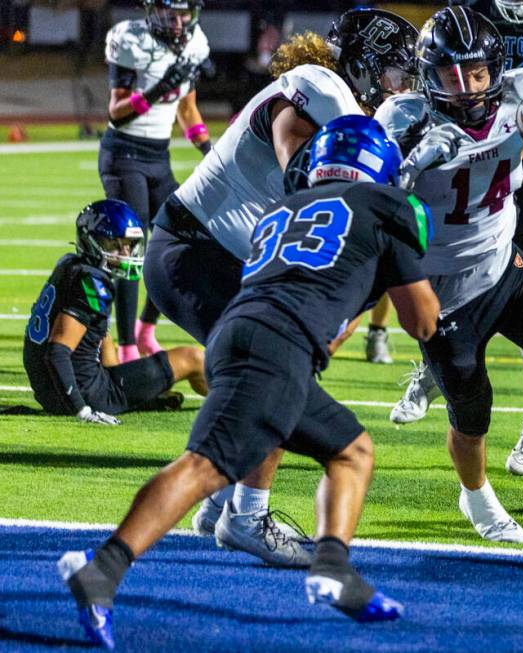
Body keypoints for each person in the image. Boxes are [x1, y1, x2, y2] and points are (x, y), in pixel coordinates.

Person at [58, 116, 440, 649]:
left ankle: (333, 567)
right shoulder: (387, 207)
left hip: (238, 332)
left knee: (352, 450)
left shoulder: (282, 210)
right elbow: (421, 322)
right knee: (204, 467)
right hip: (276, 346)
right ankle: (103, 569)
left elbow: (325, 300)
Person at [141, 8, 419, 566]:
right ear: (364, 63)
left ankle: (220, 502)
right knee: (274, 370)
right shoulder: (321, 86)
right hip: (198, 252)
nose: (398, 88)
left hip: (216, 256)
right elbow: (301, 172)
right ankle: (246, 516)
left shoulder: (335, 95)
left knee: (267, 374)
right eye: (392, 73)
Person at [376, 7, 523, 543]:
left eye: (476, 73)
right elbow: (368, 201)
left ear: (494, 69)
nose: (463, 88)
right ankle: (478, 499)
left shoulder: (520, 92)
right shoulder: (403, 118)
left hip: (506, 272)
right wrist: (409, 165)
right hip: (443, 297)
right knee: (472, 412)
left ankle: (463, 390)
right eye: (448, 75)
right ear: (425, 74)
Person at [23, 200, 207, 424]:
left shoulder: (70, 265)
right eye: (115, 245)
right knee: (193, 358)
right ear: (92, 241)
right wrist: (82, 411)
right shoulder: (92, 282)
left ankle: (137, 397)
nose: (125, 252)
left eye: (129, 244)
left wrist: (125, 379)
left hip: (54, 390)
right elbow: (57, 351)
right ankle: (243, 402)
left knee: (102, 332)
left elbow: (98, 334)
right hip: (83, 393)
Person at [100, 0, 211, 363]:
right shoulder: (131, 39)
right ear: (153, 11)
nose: (178, 22)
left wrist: (210, 151)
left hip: (158, 158)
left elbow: (186, 109)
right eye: (171, 13)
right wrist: (156, 89)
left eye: (184, 14)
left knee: (184, 238)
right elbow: (117, 113)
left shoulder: (195, 43)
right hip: (123, 155)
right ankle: (127, 346)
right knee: (132, 249)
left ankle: (147, 329)